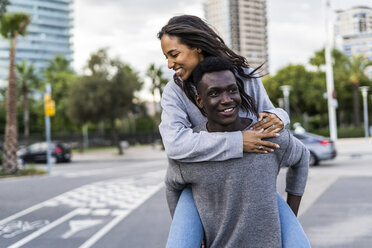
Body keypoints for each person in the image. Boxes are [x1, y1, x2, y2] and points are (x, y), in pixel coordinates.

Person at [157, 15, 302, 247]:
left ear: (196, 47)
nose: (170, 64)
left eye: (174, 54)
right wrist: (238, 141)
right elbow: (175, 144)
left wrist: (280, 117)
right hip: (200, 187)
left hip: (246, 183)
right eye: (166, 57)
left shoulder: (241, 74)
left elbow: (267, 114)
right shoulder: (174, 91)